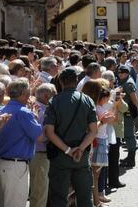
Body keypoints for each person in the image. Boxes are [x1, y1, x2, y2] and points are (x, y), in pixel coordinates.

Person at [44, 68, 98, 207]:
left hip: (60, 156)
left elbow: (49, 131)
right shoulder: (87, 100)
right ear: (76, 81)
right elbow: (93, 130)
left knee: (58, 198)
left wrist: (68, 150)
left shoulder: (54, 101)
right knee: (85, 197)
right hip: (81, 156)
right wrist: (80, 148)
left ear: (60, 82)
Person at [0, 78, 42, 207]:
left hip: (0, 164)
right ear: (23, 94)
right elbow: (40, 136)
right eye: (28, 93)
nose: (29, 96)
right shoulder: (24, 112)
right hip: (15, 166)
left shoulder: (1, 109)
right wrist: (35, 116)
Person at [29, 83, 57, 207]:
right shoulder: (42, 112)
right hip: (40, 155)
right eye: (54, 95)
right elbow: (41, 137)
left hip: (37, 154)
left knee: (38, 190)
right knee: (39, 192)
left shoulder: (37, 108)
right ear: (46, 96)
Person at [117, 65, 138, 170]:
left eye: (123, 73)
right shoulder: (124, 81)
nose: (120, 74)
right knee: (127, 134)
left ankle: (131, 160)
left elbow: (134, 99)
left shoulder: (128, 83)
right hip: (125, 111)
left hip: (128, 112)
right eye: (119, 73)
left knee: (129, 134)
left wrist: (137, 109)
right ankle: (129, 157)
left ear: (127, 73)